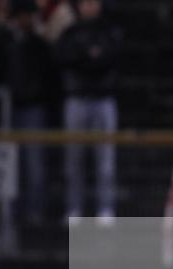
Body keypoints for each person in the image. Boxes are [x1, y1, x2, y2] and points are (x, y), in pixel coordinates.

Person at [55, 0, 121, 225]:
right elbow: (64, 59)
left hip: (104, 99)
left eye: (93, 2)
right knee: (74, 158)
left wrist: (89, 59)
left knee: (105, 159)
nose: (89, 7)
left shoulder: (110, 31)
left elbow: (112, 59)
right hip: (77, 98)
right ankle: (74, 207)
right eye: (85, 3)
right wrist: (88, 56)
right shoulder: (70, 33)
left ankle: (105, 207)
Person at [8, 0, 57, 225]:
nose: (24, 20)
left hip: (34, 109)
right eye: (21, 16)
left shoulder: (40, 45)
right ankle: (10, 213)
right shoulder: (8, 43)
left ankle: (35, 213)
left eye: (28, 16)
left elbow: (49, 79)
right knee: (10, 165)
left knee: (35, 165)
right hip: (10, 109)